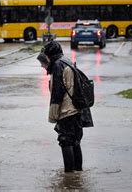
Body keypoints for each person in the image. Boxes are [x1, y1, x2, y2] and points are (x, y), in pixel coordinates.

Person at [37, 40, 83, 173]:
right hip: (76, 110)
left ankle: (68, 176)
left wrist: (53, 116)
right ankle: (77, 174)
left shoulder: (57, 65)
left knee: (65, 141)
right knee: (74, 141)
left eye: (44, 61)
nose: (42, 66)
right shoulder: (66, 61)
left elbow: (57, 93)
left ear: (49, 56)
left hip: (67, 111)